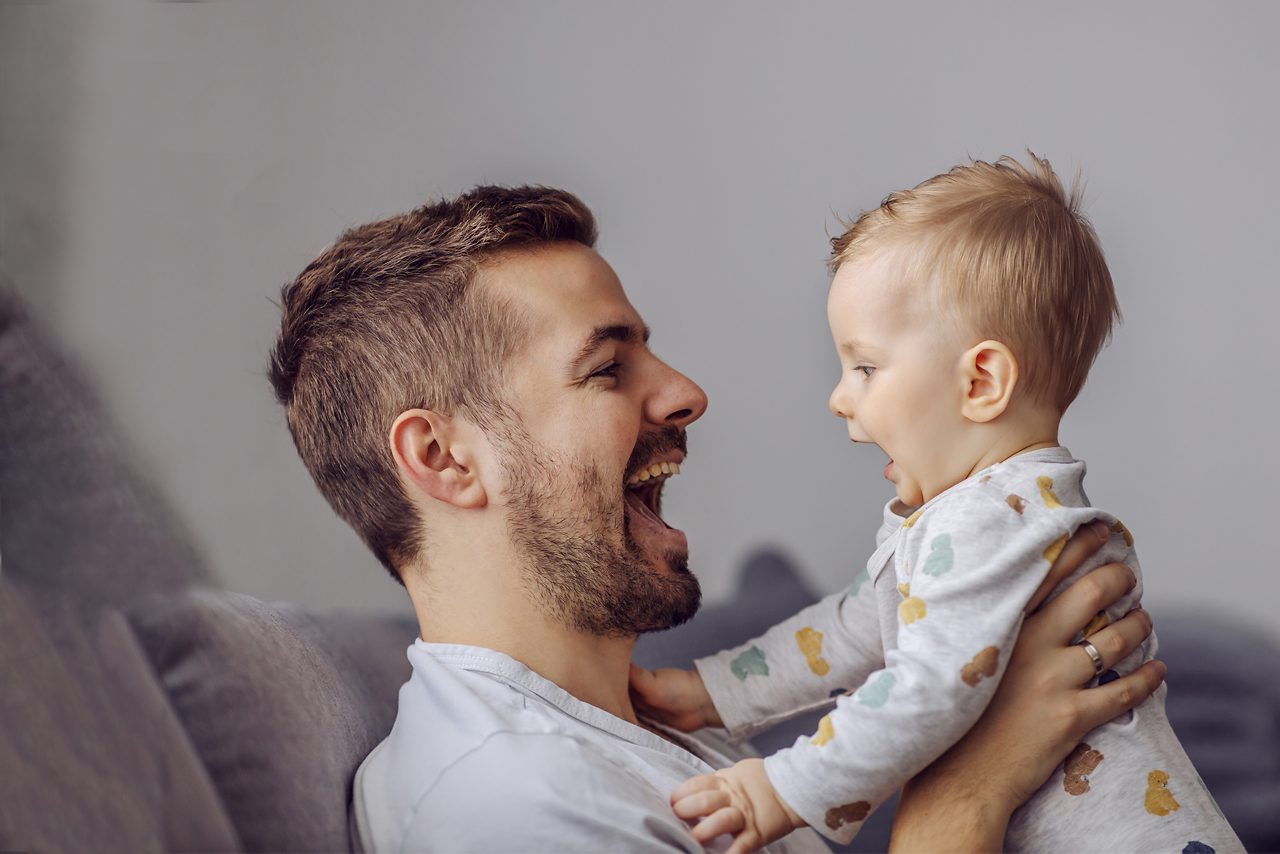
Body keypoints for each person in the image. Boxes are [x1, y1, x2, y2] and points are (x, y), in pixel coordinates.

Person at [267, 185, 1166, 852]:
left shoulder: (639, 729)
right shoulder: (507, 806)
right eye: (607, 369)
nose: (687, 393)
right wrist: (970, 788)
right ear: (444, 459)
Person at [631, 156, 1242, 853]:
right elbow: (847, 630)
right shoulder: (976, 516)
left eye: (864, 367)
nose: (839, 398)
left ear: (981, 381)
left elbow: (926, 695)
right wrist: (711, 692)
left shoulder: (992, 521)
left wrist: (782, 788)